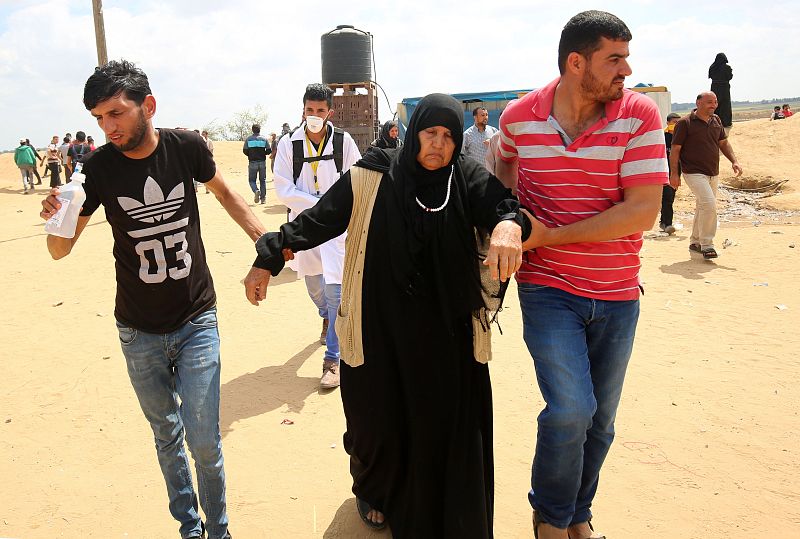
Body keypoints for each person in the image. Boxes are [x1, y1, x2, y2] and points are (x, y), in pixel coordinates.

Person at [243, 93, 529, 538]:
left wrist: (509, 224)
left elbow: (504, 208)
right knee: (374, 421)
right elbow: (319, 219)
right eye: (430, 133)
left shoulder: (465, 177)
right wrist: (269, 257)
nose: (438, 144)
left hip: (447, 332)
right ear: (414, 134)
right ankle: (374, 490)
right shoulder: (372, 176)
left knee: (445, 423)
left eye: (448, 136)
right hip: (379, 326)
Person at [39, 59, 268, 539]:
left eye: (115, 113)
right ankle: (190, 528)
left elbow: (227, 194)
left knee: (204, 441)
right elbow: (59, 250)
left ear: (148, 105)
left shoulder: (185, 147)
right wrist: (58, 216)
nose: (107, 127)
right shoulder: (98, 168)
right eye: (98, 118)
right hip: (137, 331)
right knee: (166, 436)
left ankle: (219, 530)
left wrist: (264, 247)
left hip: (196, 319)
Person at [495, 11, 668, 539]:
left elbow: (643, 211)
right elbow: (504, 166)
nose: (626, 70)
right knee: (571, 409)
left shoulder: (639, 115)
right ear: (576, 63)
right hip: (547, 288)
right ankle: (550, 519)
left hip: (618, 291)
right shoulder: (519, 117)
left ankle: (578, 515)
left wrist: (548, 235)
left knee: (601, 421)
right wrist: (509, 217)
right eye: (614, 59)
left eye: (626, 58)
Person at [271, 83, 361, 389]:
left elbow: (356, 179)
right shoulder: (289, 145)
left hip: (337, 227)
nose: (314, 115)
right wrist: (320, 206)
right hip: (305, 226)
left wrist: (334, 209)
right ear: (303, 111)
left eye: (320, 110)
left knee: (336, 289)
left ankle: (333, 359)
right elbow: (283, 189)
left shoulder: (344, 142)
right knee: (314, 286)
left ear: (329, 113)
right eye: (310, 110)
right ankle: (325, 315)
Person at [669, 91, 743, 260]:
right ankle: (707, 244)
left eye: (715, 102)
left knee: (703, 206)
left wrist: (734, 161)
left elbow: (723, 143)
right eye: (709, 102)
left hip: (712, 172)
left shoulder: (716, 120)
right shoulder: (685, 123)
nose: (713, 105)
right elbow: (675, 150)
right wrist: (674, 174)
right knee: (709, 204)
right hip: (693, 172)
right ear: (698, 103)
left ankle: (695, 242)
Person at [659, 112, 682, 234]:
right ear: (668, 123)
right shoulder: (662, 137)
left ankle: (664, 222)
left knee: (669, 198)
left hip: (676, 172)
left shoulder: (682, 137)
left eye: (679, 122)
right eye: (674, 122)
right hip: (663, 171)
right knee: (666, 197)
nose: (676, 125)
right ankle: (667, 224)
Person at [243, 123, 270, 204]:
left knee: (252, 180)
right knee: (262, 180)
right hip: (262, 162)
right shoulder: (264, 139)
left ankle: (256, 190)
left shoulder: (248, 139)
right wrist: (263, 154)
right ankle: (263, 199)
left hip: (252, 162)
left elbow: (245, 150)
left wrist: (250, 155)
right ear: (259, 130)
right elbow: (269, 150)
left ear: (252, 130)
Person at [708, 53, 733, 134]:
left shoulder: (712, 67)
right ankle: (726, 122)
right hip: (724, 87)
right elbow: (730, 77)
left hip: (715, 87)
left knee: (715, 104)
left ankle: (715, 122)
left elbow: (710, 76)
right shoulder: (727, 67)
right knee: (725, 105)